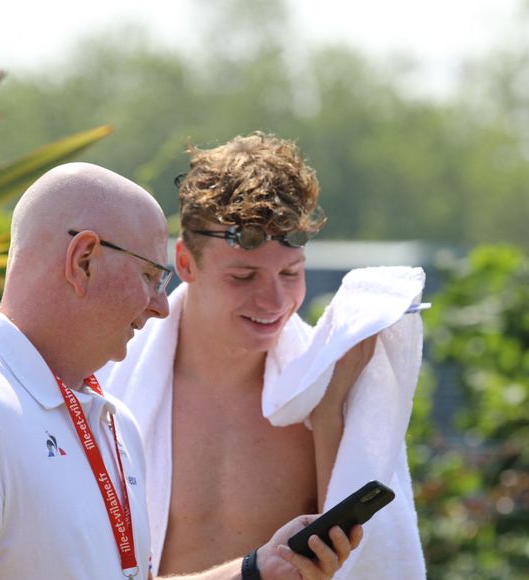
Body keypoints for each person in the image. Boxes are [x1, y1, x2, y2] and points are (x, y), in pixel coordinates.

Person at [0, 161, 361, 580]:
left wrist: (256, 571)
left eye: (290, 273)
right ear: (84, 261)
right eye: (151, 275)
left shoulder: (114, 424)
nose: (161, 305)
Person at [101, 132, 427, 578]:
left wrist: (331, 410)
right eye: (243, 276)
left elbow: (363, 566)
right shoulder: (106, 384)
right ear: (185, 263)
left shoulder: (318, 391)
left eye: (290, 273)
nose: (273, 300)